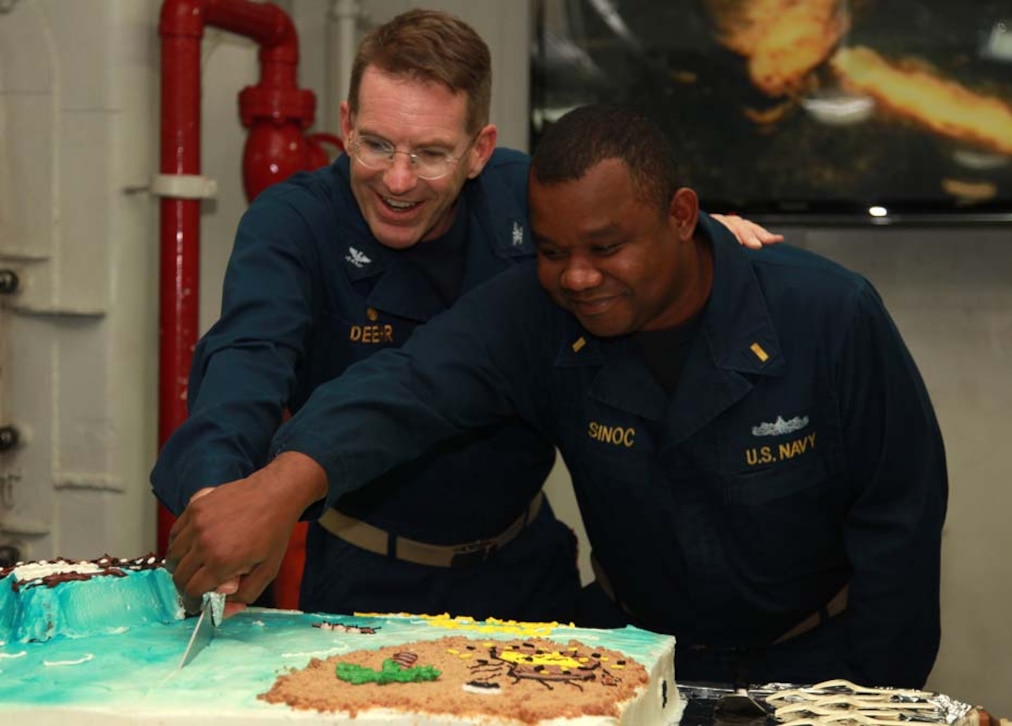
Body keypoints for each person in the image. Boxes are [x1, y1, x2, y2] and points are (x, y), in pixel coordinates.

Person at [166, 102, 947, 688]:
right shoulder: (541, 314)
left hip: (814, 671)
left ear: (682, 216)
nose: (577, 276)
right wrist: (276, 487)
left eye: (606, 248)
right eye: (552, 251)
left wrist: (880, 699)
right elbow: (409, 385)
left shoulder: (827, 313)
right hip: (640, 663)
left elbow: (900, 526)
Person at [152, 10, 780, 623]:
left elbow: (624, 229)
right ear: (345, 126)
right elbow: (242, 365)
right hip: (364, 580)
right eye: (375, 145)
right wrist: (222, 503)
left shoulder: (526, 197)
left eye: (430, 154)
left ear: (480, 149)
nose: (398, 180)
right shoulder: (293, 224)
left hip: (524, 570)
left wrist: (686, 246)